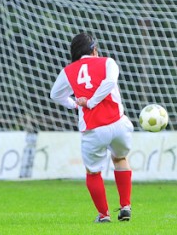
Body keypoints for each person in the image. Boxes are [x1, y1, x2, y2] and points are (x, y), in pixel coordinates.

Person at [50, 33, 133, 223]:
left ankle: (104, 215)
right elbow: (110, 82)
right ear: (94, 49)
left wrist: (77, 104)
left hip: (93, 129)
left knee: (93, 172)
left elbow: (55, 95)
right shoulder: (108, 62)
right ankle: (125, 206)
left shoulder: (68, 71)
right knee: (120, 159)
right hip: (118, 124)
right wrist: (93, 100)